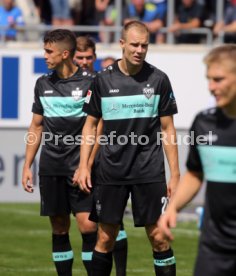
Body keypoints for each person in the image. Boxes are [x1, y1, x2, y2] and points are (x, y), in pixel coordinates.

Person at [75, 21, 180, 275]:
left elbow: (168, 130)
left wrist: (175, 174)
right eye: (134, 44)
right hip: (111, 171)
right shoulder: (102, 80)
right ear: (122, 44)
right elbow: (90, 126)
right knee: (105, 238)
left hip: (149, 171)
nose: (139, 50)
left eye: (144, 45)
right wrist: (83, 165)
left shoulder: (159, 79)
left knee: (159, 237)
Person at [22, 29, 97, 276]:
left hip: (81, 166)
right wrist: (27, 165)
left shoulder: (90, 82)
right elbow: (36, 125)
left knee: (87, 226)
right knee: (59, 226)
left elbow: (97, 127)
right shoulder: (42, 83)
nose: (44, 56)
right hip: (51, 166)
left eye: (48, 51)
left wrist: (85, 164)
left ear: (65, 54)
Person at [158, 44, 236, 276]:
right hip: (214, 246)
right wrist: (173, 208)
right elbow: (195, 173)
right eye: (209, 79)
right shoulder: (203, 123)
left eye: (219, 79)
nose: (211, 87)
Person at [73, 35, 128, 276]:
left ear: (94, 58)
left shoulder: (103, 81)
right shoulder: (68, 83)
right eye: (80, 57)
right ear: (72, 57)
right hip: (75, 159)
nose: (84, 62)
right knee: (87, 227)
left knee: (113, 223)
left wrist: (89, 161)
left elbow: (101, 124)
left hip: (104, 159)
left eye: (88, 57)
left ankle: (121, 273)